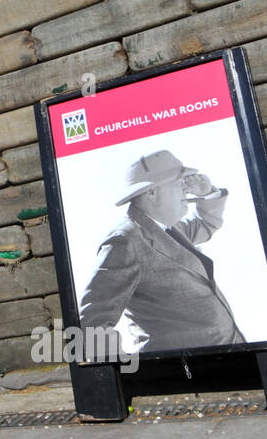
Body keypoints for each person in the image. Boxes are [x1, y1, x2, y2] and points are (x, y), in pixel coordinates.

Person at [79, 149, 244, 354]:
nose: (186, 189)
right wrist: (132, 374)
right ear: (151, 192)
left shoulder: (169, 229)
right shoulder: (125, 241)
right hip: (190, 375)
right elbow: (92, 325)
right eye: (179, 182)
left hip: (230, 356)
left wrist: (207, 192)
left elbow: (206, 224)